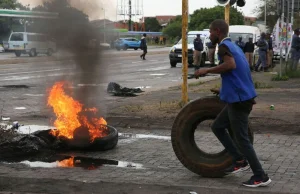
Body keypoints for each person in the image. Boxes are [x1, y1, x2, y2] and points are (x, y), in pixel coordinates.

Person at [194, 19, 271, 188]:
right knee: (217, 126)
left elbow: (230, 65)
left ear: (218, 32)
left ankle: (260, 176)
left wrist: (206, 70)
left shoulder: (223, 48)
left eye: (211, 31)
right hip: (238, 97)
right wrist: (224, 91)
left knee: (242, 139)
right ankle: (239, 159)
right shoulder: (234, 46)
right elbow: (239, 73)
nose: (209, 34)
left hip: (240, 100)